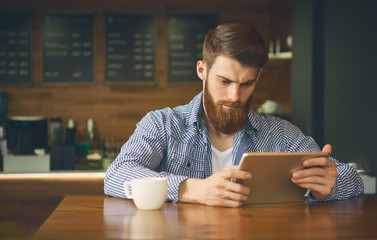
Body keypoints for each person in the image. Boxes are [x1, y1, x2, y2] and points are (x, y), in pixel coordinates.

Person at [104, 23, 364, 207]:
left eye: (246, 84)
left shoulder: (280, 134)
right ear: (201, 70)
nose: (235, 96)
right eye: (224, 81)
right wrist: (190, 189)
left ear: (258, 77)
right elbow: (116, 175)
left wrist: (329, 185)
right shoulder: (162, 124)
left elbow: (353, 180)